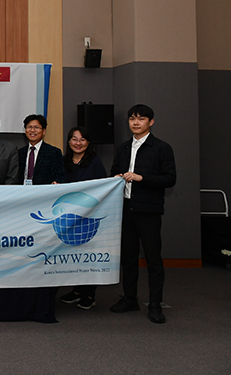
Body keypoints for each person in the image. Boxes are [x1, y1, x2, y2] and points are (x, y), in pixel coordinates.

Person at [109, 104, 176, 324]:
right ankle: (130, 299)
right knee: (128, 259)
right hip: (126, 209)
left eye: (141, 119)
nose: (135, 123)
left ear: (151, 122)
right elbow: (114, 171)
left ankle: (155, 304)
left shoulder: (162, 148)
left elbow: (170, 179)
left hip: (148, 212)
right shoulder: (123, 148)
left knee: (153, 260)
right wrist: (116, 177)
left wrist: (141, 178)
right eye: (132, 119)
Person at [59, 126, 107, 310]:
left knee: (88, 255)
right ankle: (77, 290)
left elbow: (102, 186)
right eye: (74, 139)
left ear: (88, 142)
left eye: (82, 139)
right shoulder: (63, 161)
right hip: (68, 217)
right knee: (72, 255)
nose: (78, 143)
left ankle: (89, 293)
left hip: (88, 216)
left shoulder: (95, 161)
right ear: (68, 141)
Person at [16, 114, 65, 185]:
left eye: (36, 127)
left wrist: (56, 183)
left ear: (44, 131)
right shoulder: (19, 152)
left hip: (44, 191)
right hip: (23, 190)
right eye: (29, 127)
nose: (32, 130)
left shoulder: (53, 152)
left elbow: (60, 176)